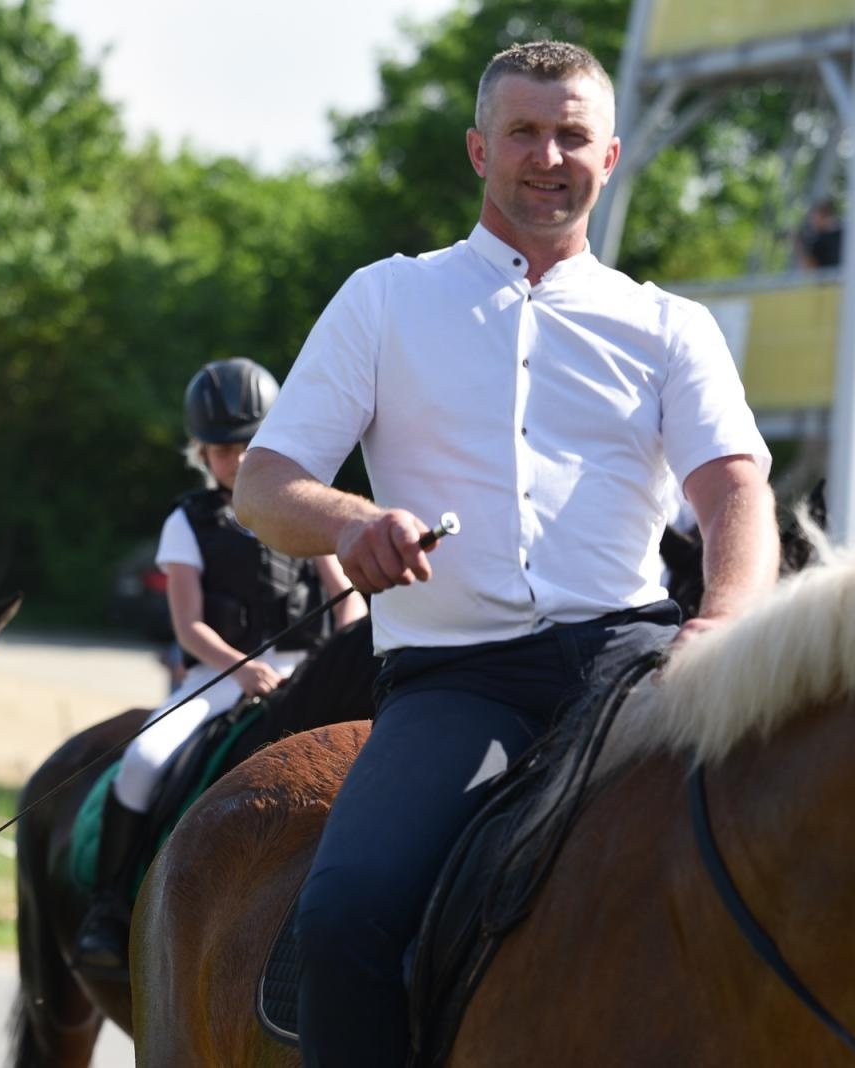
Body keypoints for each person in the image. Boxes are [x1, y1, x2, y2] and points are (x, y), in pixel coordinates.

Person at [232, 41, 779, 1066]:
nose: (547, 156)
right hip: (455, 684)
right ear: (479, 149)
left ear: (609, 156)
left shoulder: (672, 326)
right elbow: (262, 484)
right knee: (346, 911)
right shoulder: (383, 300)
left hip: (635, 671)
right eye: (523, 132)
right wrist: (350, 525)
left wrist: (725, 621)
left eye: (571, 135)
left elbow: (734, 491)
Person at [71, 357, 367, 978]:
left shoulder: (299, 503)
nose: (236, 461)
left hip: (307, 669)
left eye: (248, 446)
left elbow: (346, 600)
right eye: (223, 450)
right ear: (202, 453)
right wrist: (243, 670)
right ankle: (108, 908)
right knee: (145, 759)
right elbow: (189, 629)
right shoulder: (187, 523)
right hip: (218, 675)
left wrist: (342, 652)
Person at [796, 197, 843, 269]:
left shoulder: (821, 240)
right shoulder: (843, 233)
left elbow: (809, 268)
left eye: (814, 216)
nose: (812, 221)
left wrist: (798, 244)